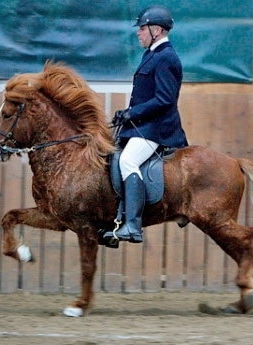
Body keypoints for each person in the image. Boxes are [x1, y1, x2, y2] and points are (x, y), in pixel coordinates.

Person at [105, 5, 188, 244]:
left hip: (157, 129)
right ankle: (117, 220)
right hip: (144, 125)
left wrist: (132, 113)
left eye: (143, 28)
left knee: (128, 160)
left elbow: (164, 99)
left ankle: (132, 225)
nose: (139, 33)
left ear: (158, 30)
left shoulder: (167, 58)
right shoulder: (152, 54)